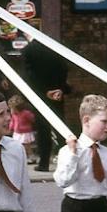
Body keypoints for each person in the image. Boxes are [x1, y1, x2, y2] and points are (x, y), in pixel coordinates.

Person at [21, 32, 70, 171]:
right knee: (60, 127)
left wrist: (44, 92)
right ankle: (69, 159)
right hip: (57, 94)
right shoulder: (54, 46)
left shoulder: (28, 50)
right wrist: (60, 88)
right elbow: (64, 69)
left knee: (43, 130)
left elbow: (29, 75)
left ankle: (44, 163)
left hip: (40, 96)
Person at [7, 94, 37, 164]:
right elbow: (12, 121)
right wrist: (10, 128)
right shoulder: (14, 114)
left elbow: (32, 119)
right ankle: (21, 157)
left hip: (25, 132)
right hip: (17, 132)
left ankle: (31, 157)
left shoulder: (26, 113)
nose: (12, 110)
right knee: (17, 145)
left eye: (14, 109)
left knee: (27, 146)